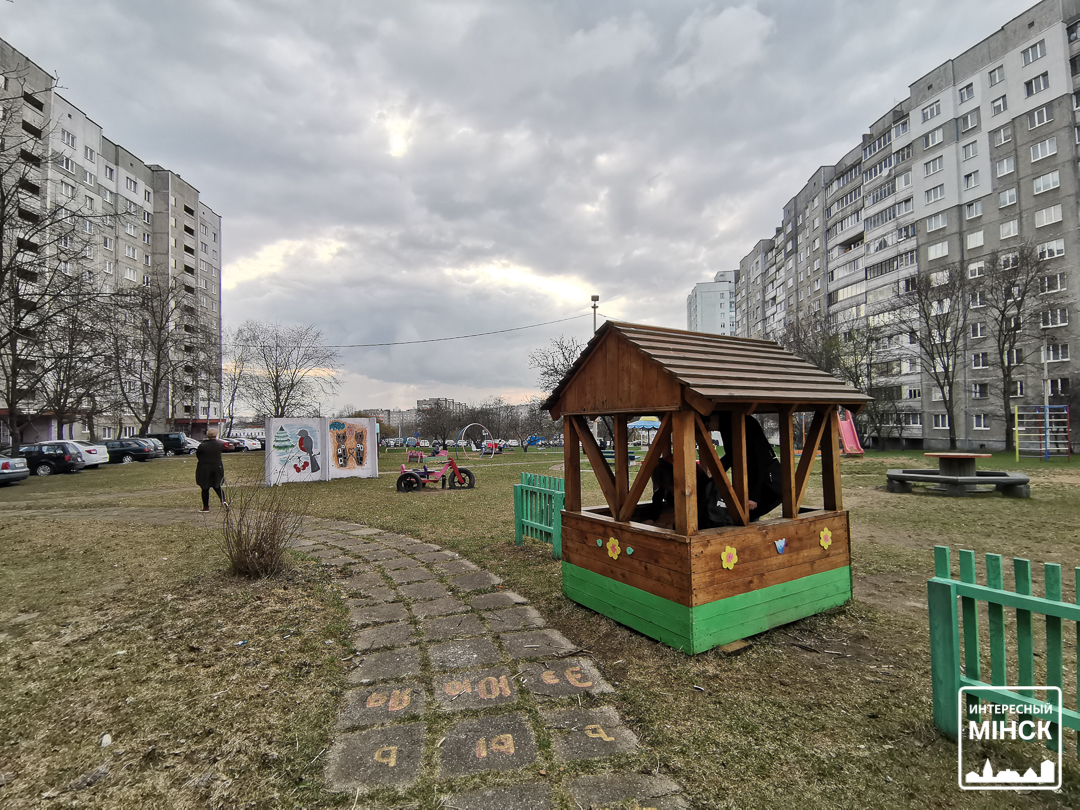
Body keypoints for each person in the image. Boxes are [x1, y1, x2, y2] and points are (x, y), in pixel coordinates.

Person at [711, 412, 782, 523]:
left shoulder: (743, 425)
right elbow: (733, 456)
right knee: (743, 515)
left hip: (767, 482)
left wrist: (753, 496)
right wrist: (714, 472)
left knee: (746, 515)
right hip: (759, 479)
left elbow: (758, 461)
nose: (711, 430)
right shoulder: (730, 426)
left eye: (708, 424)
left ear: (714, 417)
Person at [195, 428, 227, 512]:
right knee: (217, 486)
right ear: (216, 435)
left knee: (205, 487)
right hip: (217, 467)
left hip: (204, 468)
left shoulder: (202, 445)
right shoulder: (219, 444)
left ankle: (206, 507)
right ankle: (223, 500)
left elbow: (198, 455)